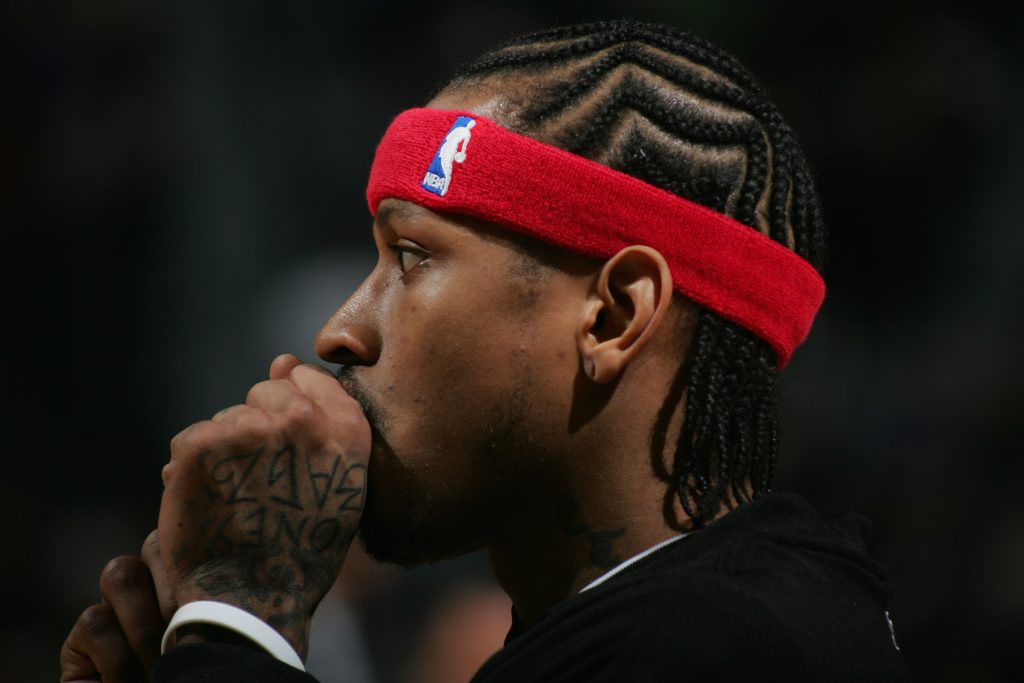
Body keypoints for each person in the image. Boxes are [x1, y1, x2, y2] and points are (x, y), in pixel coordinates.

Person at [60, 19, 912, 682]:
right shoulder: (695, 615)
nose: (341, 329)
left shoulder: (718, 644)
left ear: (615, 314)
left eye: (412, 256)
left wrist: (239, 620)